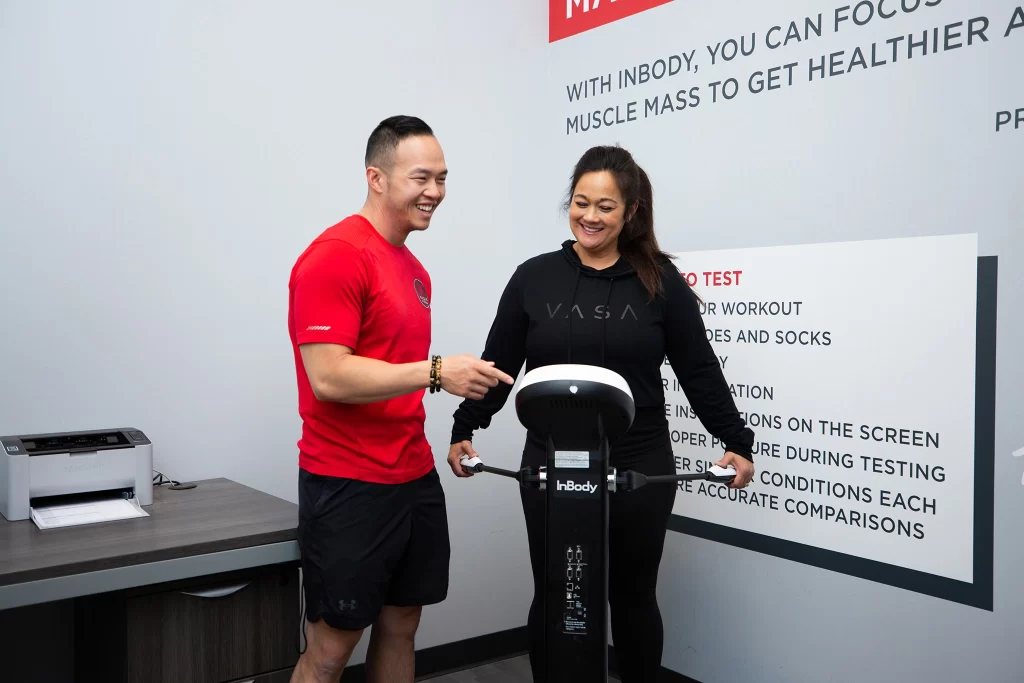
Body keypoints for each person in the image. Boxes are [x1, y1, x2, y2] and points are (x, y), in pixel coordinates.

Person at [446, 144, 756, 682]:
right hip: (550, 462)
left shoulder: (660, 282)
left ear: (631, 211)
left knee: (632, 595)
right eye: (581, 202)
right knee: (557, 592)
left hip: (638, 461)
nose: (590, 216)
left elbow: (698, 370)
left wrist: (735, 439)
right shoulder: (533, 277)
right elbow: (499, 365)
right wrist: (465, 427)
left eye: (605, 206)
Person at [287, 115, 515, 683]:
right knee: (331, 649)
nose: (435, 192)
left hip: (412, 476)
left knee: (402, 625)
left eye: (442, 178)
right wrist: (438, 372)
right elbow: (330, 377)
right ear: (377, 177)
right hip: (348, 484)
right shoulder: (335, 255)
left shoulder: (414, 269)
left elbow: (387, 370)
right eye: (421, 177)